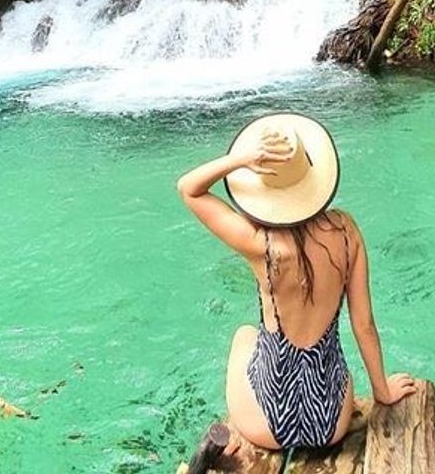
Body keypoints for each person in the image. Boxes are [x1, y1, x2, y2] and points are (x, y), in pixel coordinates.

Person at [176, 112, 418, 453]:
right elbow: (364, 325)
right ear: (314, 178)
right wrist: (382, 391)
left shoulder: (261, 244)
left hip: (264, 426)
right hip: (330, 423)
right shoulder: (347, 232)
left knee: (245, 335)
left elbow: (189, 189)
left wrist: (242, 159)